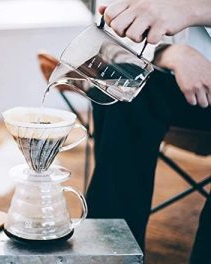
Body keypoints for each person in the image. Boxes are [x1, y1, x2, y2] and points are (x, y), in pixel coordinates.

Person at [85, 0, 211, 263]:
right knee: (125, 86)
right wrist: (170, 53)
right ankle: (114, 251)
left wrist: (191, 9)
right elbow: (106, 44)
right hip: (190, 87)